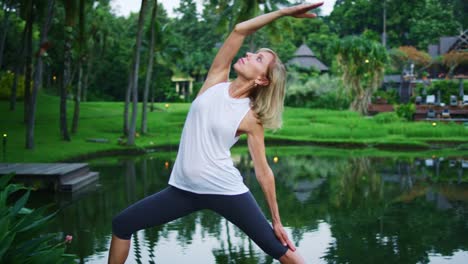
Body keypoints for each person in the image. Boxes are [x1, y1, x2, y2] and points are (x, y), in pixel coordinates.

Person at [108, 2, 323, 264]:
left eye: (258, 59)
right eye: (254, 52)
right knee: (122, 224)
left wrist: (277, 220)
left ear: (263, 80)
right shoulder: (215, 81)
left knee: (278, 248)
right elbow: (238, 31)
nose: (249, 54)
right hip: (183, 190)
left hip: (224, 189)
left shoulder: (250, 116)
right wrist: (282, 12)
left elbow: (263, 170)